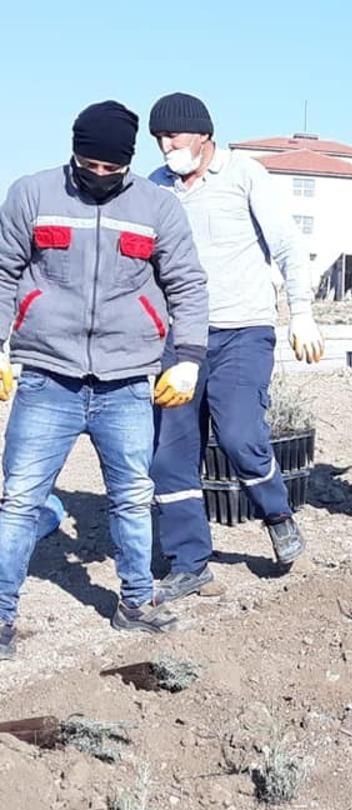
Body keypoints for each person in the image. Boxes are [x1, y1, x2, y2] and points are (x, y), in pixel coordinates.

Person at [0, 100, 210, 659]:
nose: (98, 176)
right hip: (47, 378)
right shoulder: (32, 195)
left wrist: (188, 356)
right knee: (20, 500)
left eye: (110, 169)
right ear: (74, 153)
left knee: (133, 499)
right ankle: (1, 614)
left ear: (128, 162)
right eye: (88, 165)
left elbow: (187, 283)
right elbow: (4, 272)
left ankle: (135, 603)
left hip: (127, 383)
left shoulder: (157, 207)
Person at [146, 93, 324, 604]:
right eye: (158, 139)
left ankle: (277, 514)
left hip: (243, 330)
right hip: (180, 340)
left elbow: (287, 246)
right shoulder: (156, 187)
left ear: (203, 134)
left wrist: (302, 312)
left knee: (240, 435)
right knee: (170, 454)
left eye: (174, 136)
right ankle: (189, 562)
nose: (166, 146)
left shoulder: (245, 175)